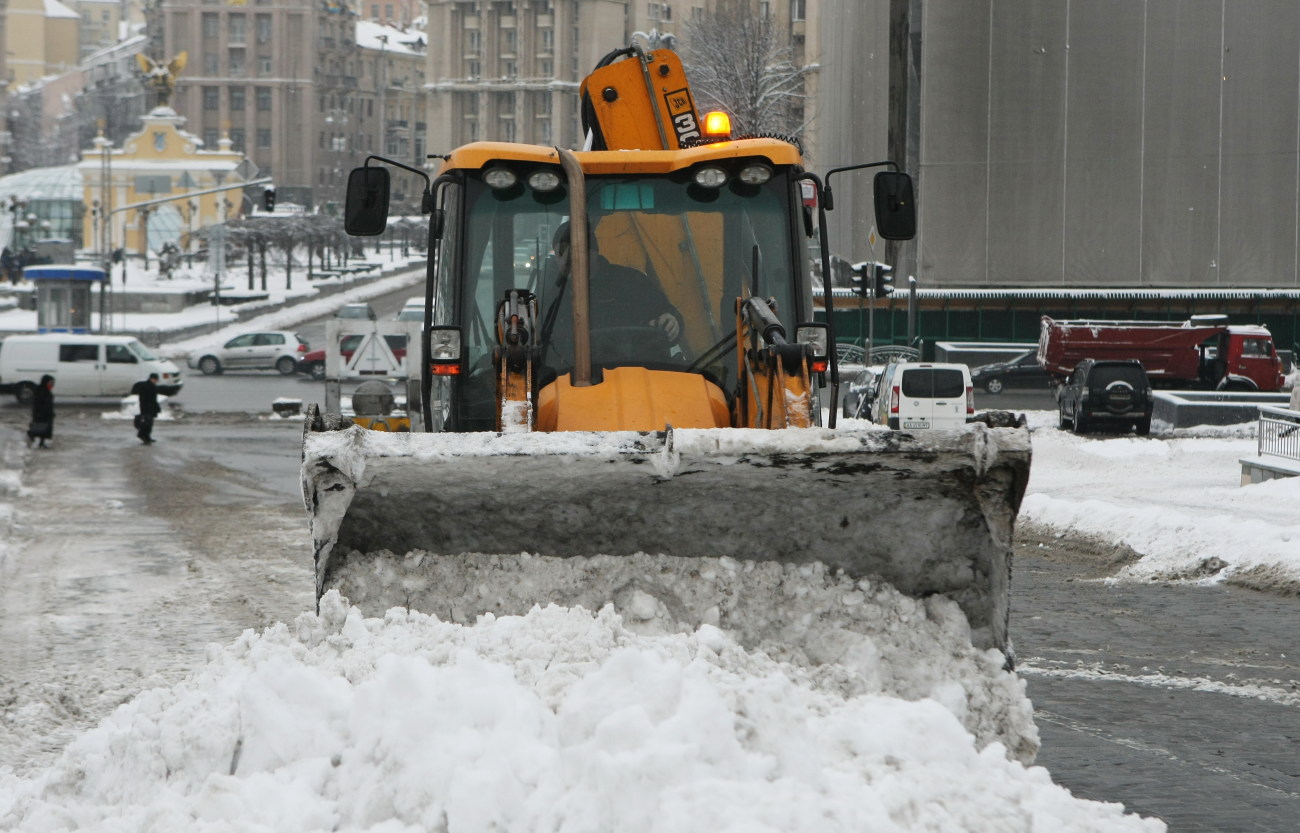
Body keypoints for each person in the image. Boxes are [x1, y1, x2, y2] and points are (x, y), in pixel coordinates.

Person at [546, 221, 683, 342]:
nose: (567, 260)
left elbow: (666, 314)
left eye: (575, 252)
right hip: (571, 370)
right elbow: (541, 341)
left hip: (637, 367)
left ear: (593, 252)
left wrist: (672, 321)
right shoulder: (553, 295)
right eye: (560, 253)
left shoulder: (632, 283)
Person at [131, 373, 162, 444]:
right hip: (148, 407)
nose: (156, 381)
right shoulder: (149, 386)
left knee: (148, 422)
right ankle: (143, 436)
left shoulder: (148, 385)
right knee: (147, 423)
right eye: (156, 379)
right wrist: (155, 407)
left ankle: (147, 437)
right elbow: (150, 399)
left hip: (147, 406)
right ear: (153, 379)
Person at [27, 375, 55, 449]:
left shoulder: (47, 391)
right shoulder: (41, 391)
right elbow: (38, 404)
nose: (51, 385)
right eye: (50, 383)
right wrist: (39, 413)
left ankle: (41, 442)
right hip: (41, 414)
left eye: (52, 383)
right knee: (40, 427)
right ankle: (32, 437)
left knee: (45, 429)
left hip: (47, 414)